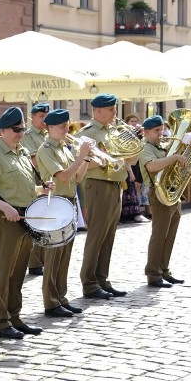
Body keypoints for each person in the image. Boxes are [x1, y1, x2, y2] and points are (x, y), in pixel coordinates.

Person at [0, 107, 54, 339]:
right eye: (17, 130)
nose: (21, 133)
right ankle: (1, 321)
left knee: (19, 272)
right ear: (4, 130)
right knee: (4, 273)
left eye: (22, 129)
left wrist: (42, 189)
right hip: (6, 218)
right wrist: (4, 206)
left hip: (26, 218)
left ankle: (14, 316)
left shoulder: (22, 153)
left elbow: (26, 189)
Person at [75, 94, 135, 300]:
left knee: (108, 236)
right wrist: (101, 161)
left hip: (116, 185)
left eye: (115, 108)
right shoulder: (87, 133)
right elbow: (79, 162)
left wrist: (137, 140)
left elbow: (132, 160)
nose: (115, 112)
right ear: (98, 111)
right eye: (111, 109)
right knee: (96, 236)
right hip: (97, 185)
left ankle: (102, 279)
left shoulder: (115, 132)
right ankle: (89, 283)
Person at [35, 109, 92, 317]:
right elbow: (64, 176)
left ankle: (61, 297)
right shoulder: (45, 150)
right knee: (53, 255)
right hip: (54, 204)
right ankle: (51, 301)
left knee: (65, 255)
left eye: (67, 125)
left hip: (69, 202)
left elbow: (77, 178)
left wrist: (85, 160)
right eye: (62, 126)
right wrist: (81, 156)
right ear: (50, 128)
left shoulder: (64, 148)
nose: (66, 129)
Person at [139, 115, 191, 289]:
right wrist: (174, 157)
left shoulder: (162, 145)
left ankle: (164, 270)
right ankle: (153, 274)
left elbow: (183, 153)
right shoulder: (146, 148)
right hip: (159, 194)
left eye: (161, 129)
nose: (161, 133)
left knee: (170, 235)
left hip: (172, 193)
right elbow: (152, 166)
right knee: (159, 234)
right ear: (146, 132)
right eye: (156, 131)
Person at [21, 103, 50, 277]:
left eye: (46, 115)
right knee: (36, 221)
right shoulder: (28, 136)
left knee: (46, 221)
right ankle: (34, 263)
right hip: (36, 179)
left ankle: (43, 259)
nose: (44, 119)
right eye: (41, 116)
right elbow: (33, 160)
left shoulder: (49, 134)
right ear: (32, 117)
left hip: (50, 179)